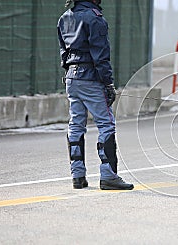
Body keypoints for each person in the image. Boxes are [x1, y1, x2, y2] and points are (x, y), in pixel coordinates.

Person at [57, 0, 134, 190]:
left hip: (71, 77)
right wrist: (108, 83)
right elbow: (101, 55)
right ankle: (108, 176)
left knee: (76, 125)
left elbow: (63, 51)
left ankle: (78, 176)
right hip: (91, 78)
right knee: (106, 124)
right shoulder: (95, 18)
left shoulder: (64, 18)